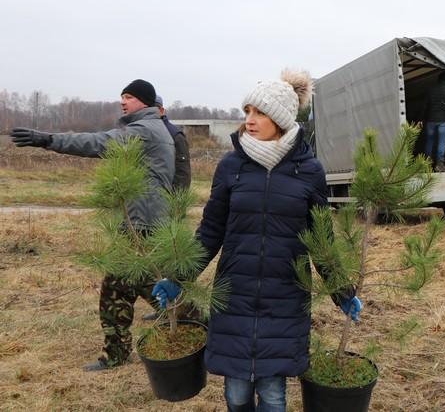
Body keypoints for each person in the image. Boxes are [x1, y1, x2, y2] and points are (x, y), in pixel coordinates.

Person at [152, 70, 361, 412]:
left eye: (260, 112)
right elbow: (210, 232)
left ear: (280, 119)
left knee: (273, 393)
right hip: (236, 292)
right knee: (236, 394)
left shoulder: (309, 171)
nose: (249, 119)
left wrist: (342, 291)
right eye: (247, 111)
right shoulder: (231, 166)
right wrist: (178, 277)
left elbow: (322, 241)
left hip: (285, 295)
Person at [11, 79, 175, 371]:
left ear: (145, 101)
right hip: (145, 219)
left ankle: (119, 353)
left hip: (142, 222)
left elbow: (99, 143)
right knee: (145, 285)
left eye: (129, 97)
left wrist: (48, 140)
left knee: (119, 289)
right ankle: (197, 325)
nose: (122, 102)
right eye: (122, 97)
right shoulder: (153, 127)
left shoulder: (144, 130)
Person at [154, 95, 191, 190]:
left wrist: (174, 197)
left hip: (165, 194)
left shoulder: (175, 135)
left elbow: (182, 173)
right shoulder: (137, 133)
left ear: (161, 111)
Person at [423, 71, 445, 172]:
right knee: (441, 143)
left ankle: (426, 164)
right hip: (443, 121)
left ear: (438, 80)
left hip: (430, 121)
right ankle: (439, 164)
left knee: (429, 142)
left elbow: (424, 106)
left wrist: (420, 119)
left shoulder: (430, 91)